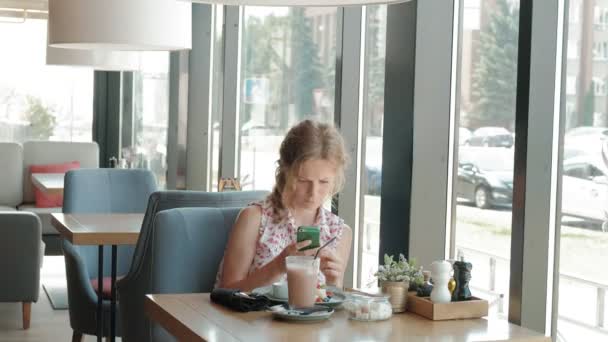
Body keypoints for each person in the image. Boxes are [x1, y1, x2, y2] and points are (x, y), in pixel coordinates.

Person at [218, 120, 352, 291]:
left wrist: (335, 282)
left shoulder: (339, 233)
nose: (313, 192)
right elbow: (226, 291)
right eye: (303, 181)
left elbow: (330, 301)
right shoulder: (255, 219)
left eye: (324, 182)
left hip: (310, 318)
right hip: (251, 318)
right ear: (285, 171)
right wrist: (278, 266)